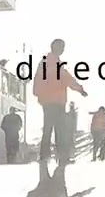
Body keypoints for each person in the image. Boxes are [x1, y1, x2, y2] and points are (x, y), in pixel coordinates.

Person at [33, 38, 87, 166]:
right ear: (56, 48)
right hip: (57, 102)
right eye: (62, 47)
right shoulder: (56, 64)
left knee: (47, 129)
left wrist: (39, 94)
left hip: (47, 101)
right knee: (60, 130)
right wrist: (80, 89)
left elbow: (37, 80)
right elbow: (68, 79)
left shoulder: (44, 62)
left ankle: (44, 156)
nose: (63, 50)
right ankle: (62, 158)